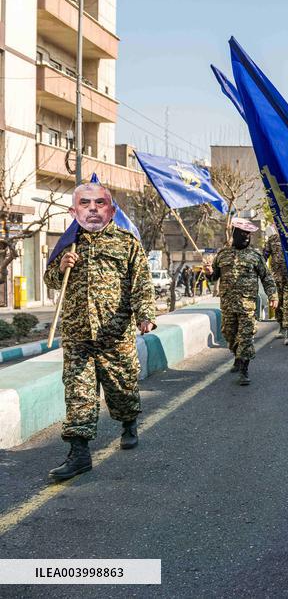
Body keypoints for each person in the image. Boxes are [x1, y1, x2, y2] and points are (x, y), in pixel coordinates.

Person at [43, 182, 156, 481]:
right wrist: (60, 267)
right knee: (78, 393)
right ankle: (79, 453)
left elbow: (142, 285)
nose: (92, 209)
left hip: (115, 335)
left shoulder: (127, 244)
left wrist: (145, 315)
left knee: (122, 389)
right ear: (74, 211)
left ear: (112, 210)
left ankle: (128, 422)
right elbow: (50, 280)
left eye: (99, 203)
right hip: (78, 335)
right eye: (85, 203)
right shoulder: (68, 243)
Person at [204, 219, 278, 385]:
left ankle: (244, 369)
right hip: (228, 305)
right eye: (243, 234)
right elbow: (214, 277)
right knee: (229, 334)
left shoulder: (255, 256)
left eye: (248, 235)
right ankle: (237, 356)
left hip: (247, 306)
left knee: (245, 337)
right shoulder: (222, 255)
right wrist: (208, 273)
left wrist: (273, 296)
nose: (246, 237)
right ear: (234, 234)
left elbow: (267, 278)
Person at [262, 226, 288, 346]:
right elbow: (264, 256)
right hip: (276, 278)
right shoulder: (272, 240)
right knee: (278, 304)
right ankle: (281, 326)